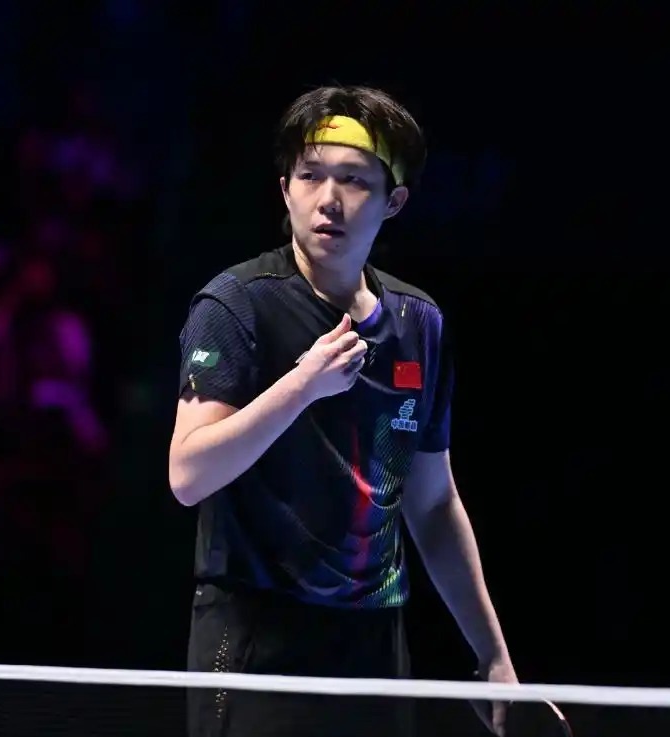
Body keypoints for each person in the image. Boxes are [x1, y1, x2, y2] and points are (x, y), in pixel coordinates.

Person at [169, 84, 517, 737]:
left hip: (374, 644)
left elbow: (433, 504)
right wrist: (300, 386)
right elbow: (188, 474)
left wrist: (493, 655)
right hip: (255, 639)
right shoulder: (237, 304)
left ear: (394, 201)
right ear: (285, 191)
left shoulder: (418, 323)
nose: (328, 198)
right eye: (310, 175)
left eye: (354, 180)